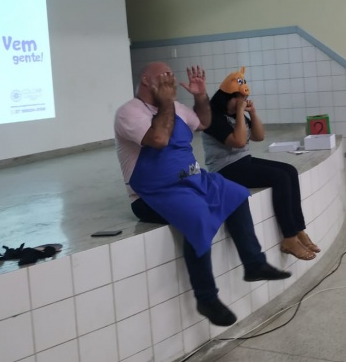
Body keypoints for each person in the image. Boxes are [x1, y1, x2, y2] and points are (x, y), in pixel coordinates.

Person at [114, 62, 290, 327]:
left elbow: (204, 122)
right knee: (198, 215)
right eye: (164, 76)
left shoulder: (175, 107)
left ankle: (254, 263)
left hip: (192, 178)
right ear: (146, 80)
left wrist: (199, 97)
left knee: (235, 193)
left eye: (171, 75)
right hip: (153, 194)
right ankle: (206, 297)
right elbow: (159, 139)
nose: (170, 80)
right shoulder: (130, 112)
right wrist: (166, 103)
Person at [202, 68, 320, 261]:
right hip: (224, 169)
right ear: (226, 98)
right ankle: (289, 238)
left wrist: (253, 113)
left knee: (290, 171)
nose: (241, 102)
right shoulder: (212, 118)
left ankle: (299, 230)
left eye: (243, 99)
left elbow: (259, 136)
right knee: (280, 177)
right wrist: (240, 112)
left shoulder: (237, 115)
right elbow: (239, 142)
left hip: (243, 161)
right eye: (238, 99)